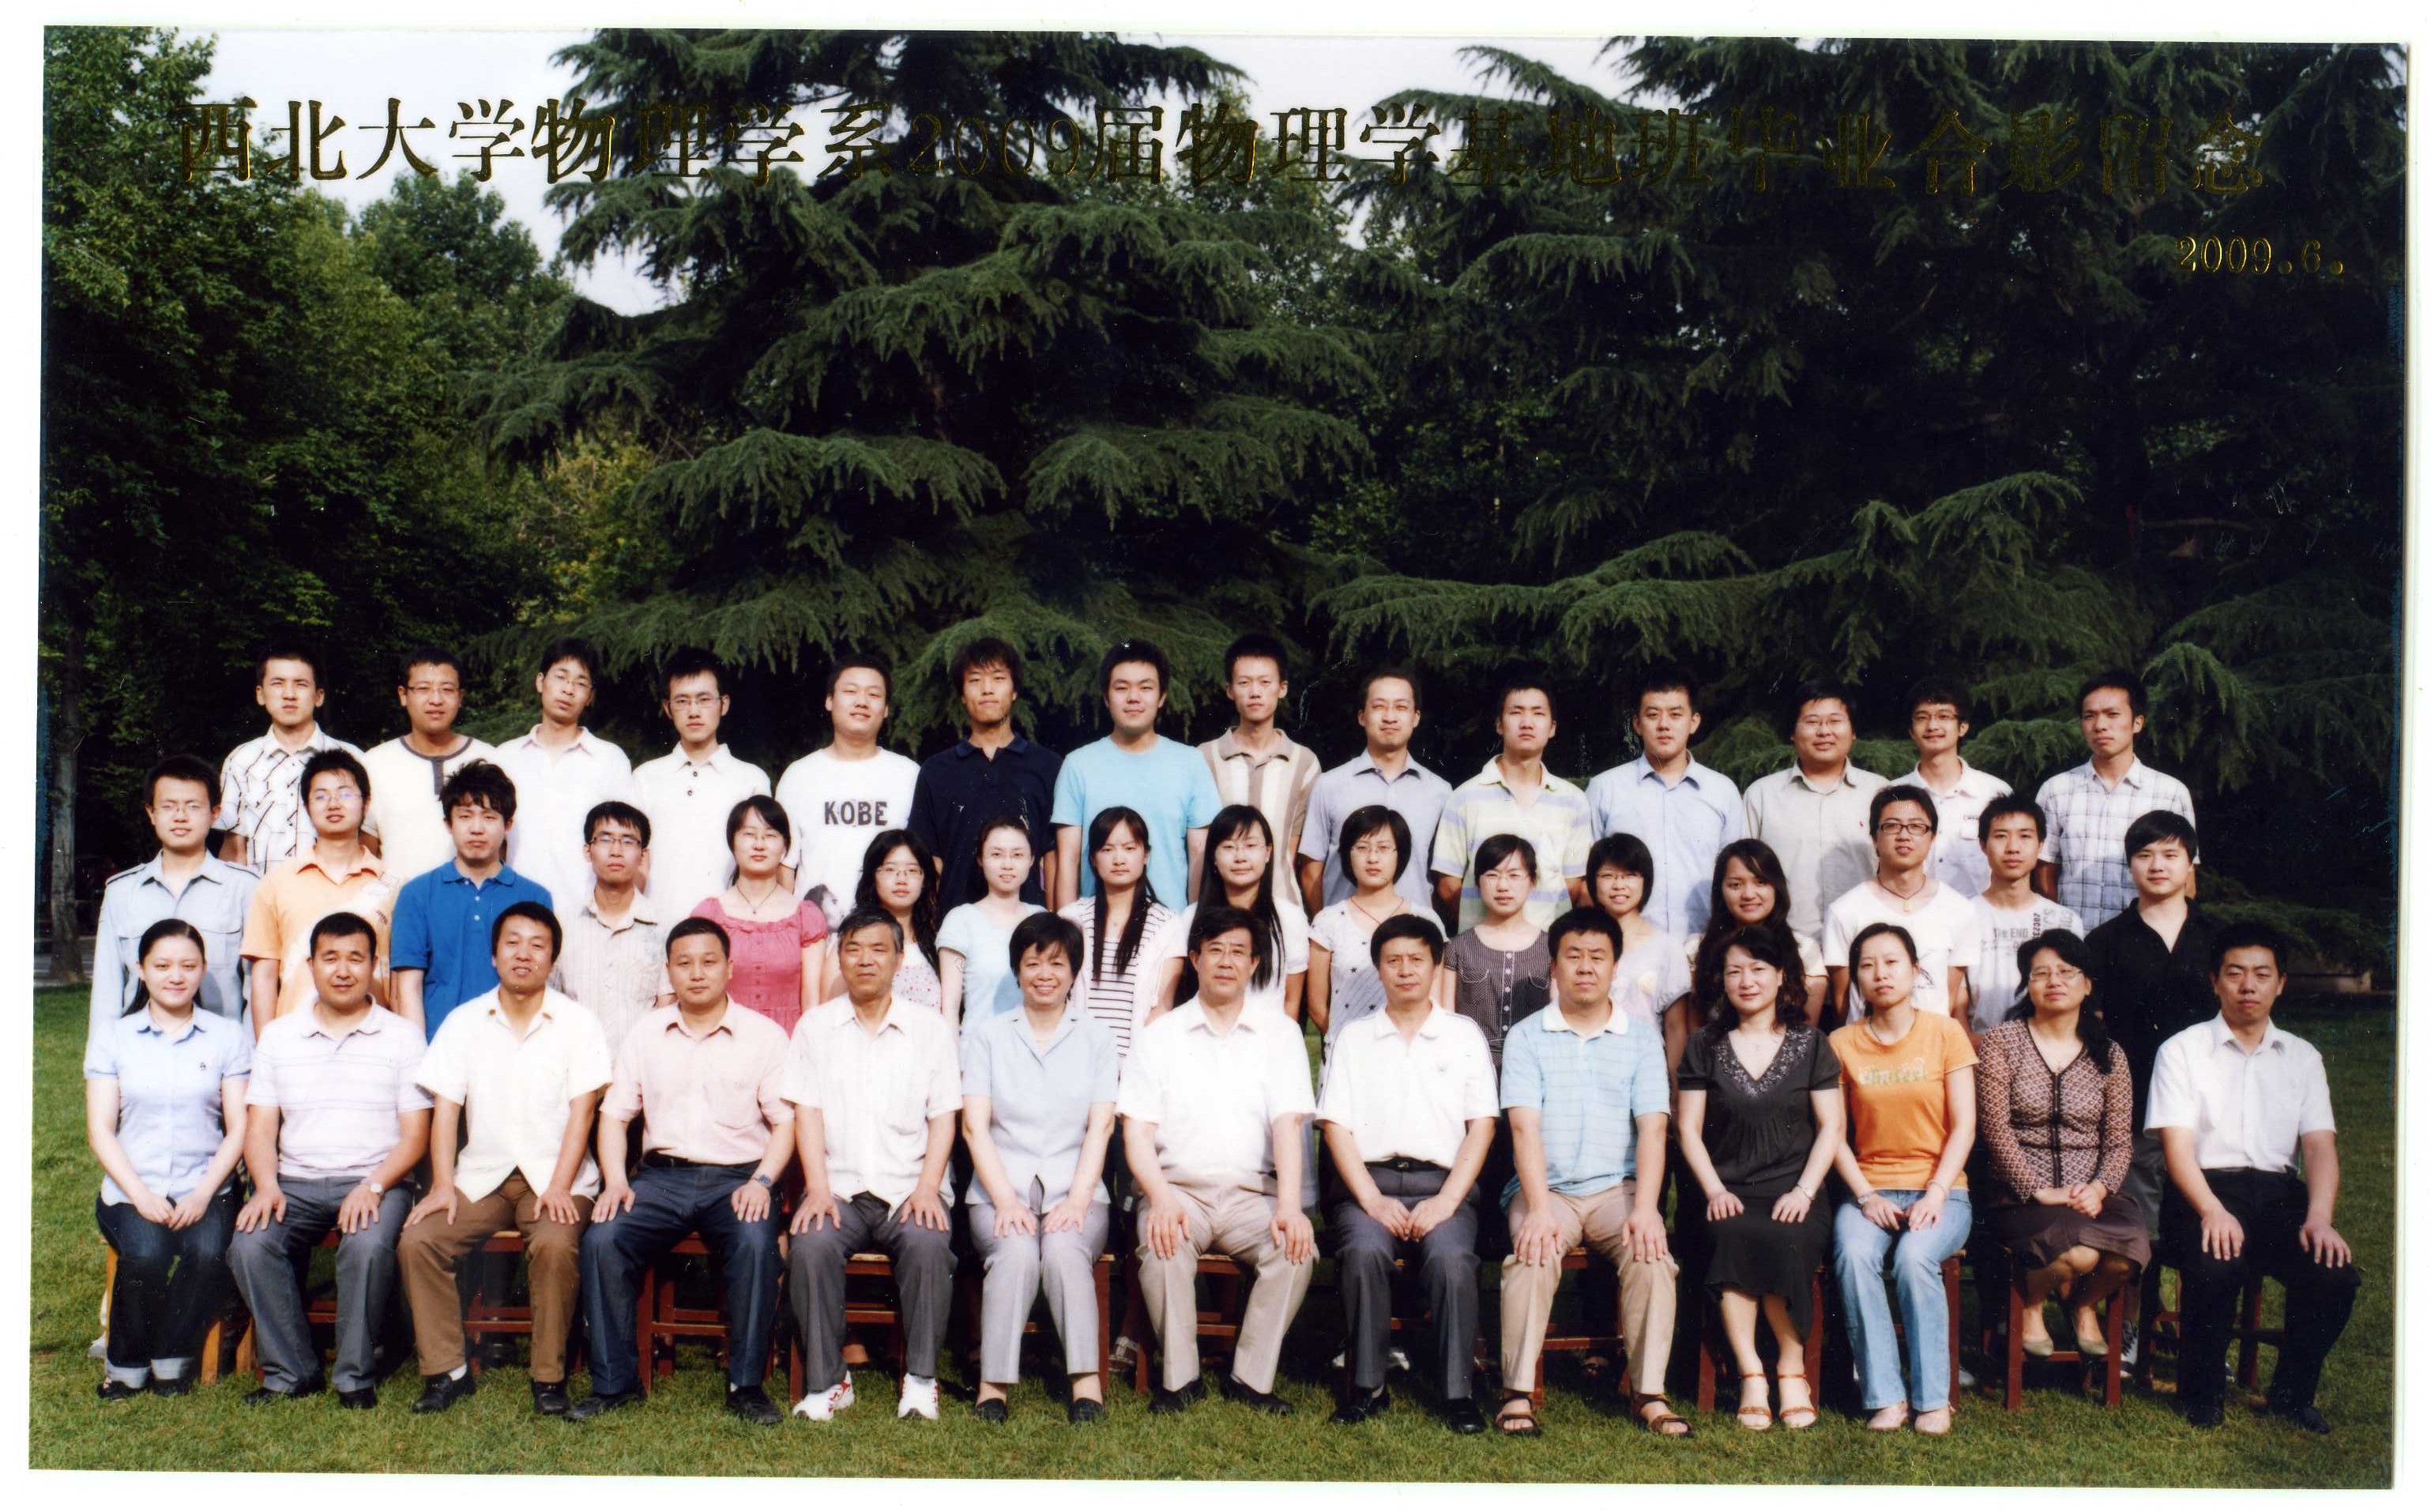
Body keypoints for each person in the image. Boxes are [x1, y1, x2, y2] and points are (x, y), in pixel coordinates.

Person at [570, 916, 793, 1426]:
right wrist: (616, 1180)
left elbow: (786, 1122)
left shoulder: (763, 1036)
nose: (696, 973)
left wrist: (762, 1182)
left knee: (754, 1243)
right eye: (684, 963)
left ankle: (746, 1385)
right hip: (660, 1180)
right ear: (668, 970)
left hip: (737, 1180)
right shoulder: (646, 1033)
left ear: (730, 968)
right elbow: (615, 1115)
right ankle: (615, 1384)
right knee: (603, 1239)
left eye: (709, 962)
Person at [397, 902, 612, 1416]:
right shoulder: (464, 1022)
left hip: (557, 1178)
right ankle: (448, 1372)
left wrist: (559, 1186)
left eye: (537, 945)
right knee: (420, 1240)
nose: (524, 954)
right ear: (494, 955)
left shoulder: (578, 1023)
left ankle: (548, 1379)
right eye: (512, 943)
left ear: (552, 959)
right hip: (483, 1176)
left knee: (555, 1243)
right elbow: (446, 1110)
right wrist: (443, 1184)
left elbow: (583, 1113)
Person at [2147, 923, 2358, 1433]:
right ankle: (2202, 1395)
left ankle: (2291, 1396)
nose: (2248, 986)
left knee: (2333, 1275)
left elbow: (2319, 1147)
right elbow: (2177, 1149)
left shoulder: (2303, 1057)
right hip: (2202, 1190)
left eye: (2262, 975)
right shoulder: (2181, 1050)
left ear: (2280, 983)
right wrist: (2212, 1210)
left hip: (2280, 1198)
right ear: (2214, 981)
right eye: (2235, 973)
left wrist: (2320, 1218)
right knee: (2216, 1263)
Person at [1493, 908, 1687, 1440]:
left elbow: (1653, 1129)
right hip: (1547, 1190)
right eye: (1573, 956)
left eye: (1597, 957)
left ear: (1614, 967)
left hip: (1616, 1190)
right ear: (1553, 967)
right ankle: (1516, 1393)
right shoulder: (1527, 1036)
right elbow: (1523, 1128)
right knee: (1532, 1251)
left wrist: (1646, 1209)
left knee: (1652, 1256)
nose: (1585, 967)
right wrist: (1537, 1209)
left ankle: (1648, 1393)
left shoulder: (1640, 1038)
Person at [1120, 906, 1319, 1415]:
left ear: (1255, 964)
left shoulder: (1280, 1034)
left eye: (1238, 952)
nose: (1226, 962)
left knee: (1296, 1250)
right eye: (1215, 951)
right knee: (1162, 1244)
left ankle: (1250, 1378)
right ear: (1195, 959)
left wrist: (1290, 1207)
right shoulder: (1159, 1036)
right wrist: (1160, 1198)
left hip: (1253, 1195)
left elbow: (1288, 1126)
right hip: (1179, 1191)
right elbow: (1136, 1133)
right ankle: (1180, 1379)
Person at [228, 912, 432, 1407]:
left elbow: (415, 1137)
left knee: (366, 1245)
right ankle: (291, 1372)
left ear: (374, 966)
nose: (343, 971)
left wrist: (374, 1186)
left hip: (375, 1179)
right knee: (250, 1245)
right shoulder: (279, 1036)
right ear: (311, 966)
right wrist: (266, 1185)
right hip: (294, 1182)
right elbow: (261, 1127)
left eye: (355, 959)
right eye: (331, 958)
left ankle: (354, 1376)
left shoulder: (402, 1036)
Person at [1316, 914, 1496, 1433]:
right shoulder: (1354, 1037)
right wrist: (1371, 1200)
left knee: (1451, 1260)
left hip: (1443, 1186)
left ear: (1436, 965)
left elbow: (1482, 1126)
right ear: (1378, 968)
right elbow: (1336, 1127)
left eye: (1416, 959)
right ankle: (1366, 1386)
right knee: (1363, 1252)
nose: (1405, 970)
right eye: (1392, 960)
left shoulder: (1462, 1035)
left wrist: (1446, 1202)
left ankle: (1457, 1391)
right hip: (1368, 1186)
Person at [785, 909, 965, 1423]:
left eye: (878, 949)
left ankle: (921, 1380)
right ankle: (828, 1381)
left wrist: (928, 1188)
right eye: (854, 949)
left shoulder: (929, 1030)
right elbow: (806, 1113)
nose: (865, 960)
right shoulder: (816, 1027)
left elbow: (943, 1117)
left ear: (900, 960)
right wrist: (817, 1188)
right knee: (811, 1244)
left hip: (908, 1186)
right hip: (839, 1188)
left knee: (928, 1243)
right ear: (839, 958)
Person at [1673, 923, 1842, 1432]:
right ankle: (1751, 1374)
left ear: (1782, 975)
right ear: (1720, 980)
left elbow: (1832, 1127)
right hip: (1727, 1189)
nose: (1746, 981)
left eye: (1758, 969)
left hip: (1795, 1187)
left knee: (1786, 1236)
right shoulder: (1704, 1044)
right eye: (1734, 972)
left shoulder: (1812, 1044)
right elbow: (1688, 1128)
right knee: (1731, 1233)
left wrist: (1804, 1191)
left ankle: (1790, 1370)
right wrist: (1714, 1189)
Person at [958, 912, 1120, 1424]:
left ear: (1073, 972)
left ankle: (1085, 1384)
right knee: (1016, 1252)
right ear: (1017, 970)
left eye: (1056, 963)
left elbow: (1101, 1127)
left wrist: (1078, 1200)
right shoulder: (987, 1035)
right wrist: (1005, 1200)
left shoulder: (1097, 1038)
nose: (1044, 974)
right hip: (999, 1185)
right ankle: (993, 1387)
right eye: (1032, 963)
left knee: (1067, 1249)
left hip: (1076, 1184)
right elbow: (974, 1127)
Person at [84, 920, 252, 1400]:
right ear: (141, 970)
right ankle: (125, 1367)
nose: (175, 976)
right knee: (147, 1252)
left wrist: (202, 1195)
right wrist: (141, 1196)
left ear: (202, 970)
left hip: (207, 1187)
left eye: (187, 965)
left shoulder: (226, 1036)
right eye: (162, 965)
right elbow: (100, 1130)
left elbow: (238, 1128)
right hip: (132, 1189)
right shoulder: (114, 1037)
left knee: (208, 1253)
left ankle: (171, 1357)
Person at [1827, 921, 1978, 1435]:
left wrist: (1936, 1192)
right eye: (1867, 965)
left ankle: (1932, 1399)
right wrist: (1864, 1195)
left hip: (1942, 1189)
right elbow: (1834, 1134)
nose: (1880, 974)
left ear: (1915, 970)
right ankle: (1886, 1397)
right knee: (1854, 1256)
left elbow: (1964, 1125)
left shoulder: (1945, 1032)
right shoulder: (1841, 1042)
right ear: (1856, 978)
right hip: (1869, 1189)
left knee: (1915, 1259)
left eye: (1891, 962)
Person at [1974, 930, 2146, 1360]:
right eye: (2041, 973)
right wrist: (2038, 1189)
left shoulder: (2110, 1054)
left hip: (2092, 1194)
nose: (2054, 981)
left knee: (2127, 1256)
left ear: (2087, 985)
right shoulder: (2002, 1042)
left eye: (2066, 972)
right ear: (2027, 985)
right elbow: (1996, 1130)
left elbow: (2119, 1141)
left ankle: (2082, 1305)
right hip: (2019, 1195)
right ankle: (2031, 1304)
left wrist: (2099, 1188)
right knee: (2080, 1255)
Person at [2082, 810, 2218, 1288]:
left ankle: (2193, 1326)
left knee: (2202, 1229)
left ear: (2189, 862)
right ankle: (2132, 1318)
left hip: (2208, 1107)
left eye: (2170, 854)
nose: (2157, 865)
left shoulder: (2218, 938)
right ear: (2130, 865)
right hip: (2134, 1105)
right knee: (2138, 1228)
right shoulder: (2104, 941)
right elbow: (2093, 1029)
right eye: (2144, 855)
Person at [90, 756, 258, 1046]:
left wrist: (248, 1061)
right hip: (139, 1054)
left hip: (221, 1054)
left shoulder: (245, 888)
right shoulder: (122, 891)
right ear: (151, 813)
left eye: (193, 806)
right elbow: (107, 991)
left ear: (214, 813)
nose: (180, 816)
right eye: (168, 806)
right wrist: (101, 1062)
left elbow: (257, 988)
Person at [1052, 638, 1221, 909]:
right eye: (1122, 688)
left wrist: (1194, 923)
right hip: (1095, 925)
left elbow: (1199, 854)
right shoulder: (1077, 765)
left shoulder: (1191, 763)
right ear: (1106, 697)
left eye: (1146, 687)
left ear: (1161, 696)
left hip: (1171, 924)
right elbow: (1068, 859)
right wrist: (1067, 927)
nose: (1133, 697)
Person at [389, 760, 554, 1038]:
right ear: (448, 823)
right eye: (465, 816)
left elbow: (539, 985)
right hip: (439, 1049)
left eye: (489, 817)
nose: (477, 828)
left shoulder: (535, 897)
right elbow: (408, 989)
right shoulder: (417, 894)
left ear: (508, 824)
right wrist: (419, 1056)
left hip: (514, 1047)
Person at [240, 748, 395, 1032]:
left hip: (373, 1038)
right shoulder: (277, 883)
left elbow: (399, 978)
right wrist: (267, 1047)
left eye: (345, 794)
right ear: (307, 806)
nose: (333, 804)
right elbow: (264, 976)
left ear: (366, 803)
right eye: (321, 796)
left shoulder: (393, 885)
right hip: (297, 1041)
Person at [1584, 664, 1744, 938]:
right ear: (1637, 724)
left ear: (1694, 722)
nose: (1664, 725)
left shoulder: (1722, 791)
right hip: (1627, 947)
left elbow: (1738, 875)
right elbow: (1588, 881)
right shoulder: (1605, 788)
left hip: (1705, 944)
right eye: (1653, 715)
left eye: (1675, 714)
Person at [2033, 670, 2198, 930]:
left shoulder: (2170, 793)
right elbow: (2045, 873)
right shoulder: (2056, 790)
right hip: (2074, 939)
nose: (2100, 725)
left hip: (2143, 940)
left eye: (2112, 714)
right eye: (2089, 716)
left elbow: (2186, 879)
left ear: (2137, 723)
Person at [1429, 671, 1591, 932]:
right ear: (1499, 724)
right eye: (1516, 712)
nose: (1527, 723)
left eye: (1538, 713)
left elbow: (1573, 884)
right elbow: (1448, 886)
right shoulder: (1464, 797)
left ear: (1552, 727)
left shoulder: (1573, 801)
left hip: (1547, 946)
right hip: (1481, 949)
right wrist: (1492, 929)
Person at [909, 637, 1063, 912]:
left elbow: (1052, 856)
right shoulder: (936, 771)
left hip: (1029, 926)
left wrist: (1053, 924)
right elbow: (929, 860)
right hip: (955, 924)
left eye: (998, 678)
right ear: (962, 695)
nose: (987, 689)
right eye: (975, 680)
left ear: (1014, 691)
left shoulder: (1047, 766)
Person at [1741, 680, 1888, 965]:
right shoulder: (1761, 796)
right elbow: (1742, 874)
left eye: (1835, 721)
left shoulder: (1879, 792)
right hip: (1783, 950)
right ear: (1792, 733)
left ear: (1853, 731)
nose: (1824, 731)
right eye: (1812, 722)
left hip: (1865, 949)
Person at [776, 652, 921, 925]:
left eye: (873, 694)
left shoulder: (909, 775)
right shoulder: (799, 776)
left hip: (890, 932)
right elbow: (784, 866)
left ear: (886, 708)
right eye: (850, 691)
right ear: (830, 700)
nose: (861, 702)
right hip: (816, 935)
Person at [1296, 665, 1451, 920]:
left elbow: (1445, 878)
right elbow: (1311, 870)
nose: (1390, 717)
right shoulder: (1329, 785)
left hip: (1413, 936)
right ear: (1362, 716)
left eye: (1401, 707)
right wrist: (1326, 930)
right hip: (1345, 936)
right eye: (1379, 706)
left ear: (1415, 717)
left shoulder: (1439, 792)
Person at [630, 648, 773, 917]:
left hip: (729, 927)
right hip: (656, 925)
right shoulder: (645, 778)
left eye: (704, 699)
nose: (693, 711)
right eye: (682, 701)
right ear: (667, 708)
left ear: (724, 704)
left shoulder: (751, 780)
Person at [1822, 786, 1980, 1024]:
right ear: (1874, 838)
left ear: (1932, 838)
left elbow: (1948, 997)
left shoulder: (1959, 910)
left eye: (1916, 827)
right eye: (1892, 826)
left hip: (1932, 1041)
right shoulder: (1844, 911)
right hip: (1866, 1041)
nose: (1904, 836)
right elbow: (1843, 1002)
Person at [495, 637, 634, 907]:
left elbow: (627, 843)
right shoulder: (506, 757)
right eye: (561, 677)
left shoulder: (610, 760)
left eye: (580, 683)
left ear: (590, 696)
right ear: (540, 682)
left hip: (588, 913)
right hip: (515, 913)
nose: (568, 689)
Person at [1199, 633, 1323, 909]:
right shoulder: (1204, 758)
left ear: (1282, 688)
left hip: (1282, 908)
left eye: (1265, 682)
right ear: (1230, 690)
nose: (1255, 692)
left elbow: (1294, 852)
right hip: (1218, 910)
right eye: (1244, 683)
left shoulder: (1304, 763)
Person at [216, 643, 364, 872]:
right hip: (261, 892)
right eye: (278, 683)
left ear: (319, 696)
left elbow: (366, 839)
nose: (289, 695)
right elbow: (234, 849)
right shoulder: (240, 761)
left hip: (333, 892)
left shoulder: (352, 759)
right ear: (260, 694)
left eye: (301, 684)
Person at [1681, 840, 1828, 1066]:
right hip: (1712, 1072)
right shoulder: (1695, 950)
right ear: (1721, 890)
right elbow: (1694, 1032)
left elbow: (1806, 1037)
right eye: (1736, 885)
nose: (1749, 894)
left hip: (1786, 1073)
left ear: (1776, 887)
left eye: (1761, 882)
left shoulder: (1805, 952)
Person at [689, 795, 828, 1034]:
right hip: (723, 1040)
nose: (759, 845)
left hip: (787, 1043)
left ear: (785, 847)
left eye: (770, 835)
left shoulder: (806, 917)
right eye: (749, 834)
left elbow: (812, 1001)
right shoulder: (709, 915)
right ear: (732, 842)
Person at [360, 647, 499, 886]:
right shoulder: (375, 763)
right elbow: (365, 851)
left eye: (447, 689)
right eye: (423, 689)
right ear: (403, 695)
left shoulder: (489, 758)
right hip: (397, 902)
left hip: (476, 900)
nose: (436, 700)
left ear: (460, 697)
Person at [1059, 807, 1185, 1060]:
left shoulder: (1168, 925)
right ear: (1093, 859)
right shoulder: (1072, 919)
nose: (1119, 859)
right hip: (1077, 1062)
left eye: (1129, 848)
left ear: (1145, 855)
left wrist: (1134, 1069)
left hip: (1137, 1066)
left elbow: (1163, 1006)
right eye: (1107, 850)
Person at [548, 801, 675, 1047]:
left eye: (628, 841)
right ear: (588, 851)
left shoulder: (665, 927)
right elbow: (551, 1001)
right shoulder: (563, 925)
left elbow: (666, 1010)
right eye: (605, 839)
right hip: (575, 1063)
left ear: (642, 855)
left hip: (640, 1065)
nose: (616, 851)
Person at [1169, 805, 1308, 1021]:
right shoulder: (1190, 919)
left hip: (1268, 1036)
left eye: (1250, 845)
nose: (1240, 857)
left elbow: (1292, 1000)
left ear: (1268, 852)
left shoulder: (1290, 918)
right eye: (1229, 847)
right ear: (1213, 856)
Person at [1969, 797, 2083, 1037]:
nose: (2013, 848)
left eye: (2025, 836)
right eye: (2001, 836)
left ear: (2040, 844)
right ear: (1982, 845)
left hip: (2047, 1048)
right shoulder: (1963, 916)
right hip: (1978, 1046)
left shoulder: (2065, 921)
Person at [1308, 807, 1419, 1047]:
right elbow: (1316, 1005)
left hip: (1408, 1053)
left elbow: (1436, 1001)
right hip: (1346, 1053)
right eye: (1362, 848)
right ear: (1347, 854)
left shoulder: (1423, 920)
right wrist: (1347, 1045)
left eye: (1383, 848)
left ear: (1400, 853)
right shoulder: (1328, 922)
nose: (1372, 858)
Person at [1439, 835, 1551, 1069]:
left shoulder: (1551, 948)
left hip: (1534, 1067)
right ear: (1478, 882)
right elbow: (1446, 1021)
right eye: (1492, 875)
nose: (1502, 886)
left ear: (1532, 881)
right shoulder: (1457, 948)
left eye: (1514, 875)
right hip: (1472, 1067)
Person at [1895, 677, 2010, 900]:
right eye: (1922, 718)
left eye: (1944, 716)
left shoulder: (1994, 793)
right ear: (1911, 730)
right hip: (1910, 915)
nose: (1932, 726)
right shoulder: (1894, 795)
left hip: (1979, 916)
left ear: (1963, 727)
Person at [937, 816, 1045, 1025]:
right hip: (977, 1044)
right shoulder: (961, 920)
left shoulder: (1041, 917)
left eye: (1017, 855)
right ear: (980, 859)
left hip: (1033, 1044)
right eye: (996, 854)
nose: (1007, 865)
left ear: (1032, 860)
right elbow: (950, 1007)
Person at [820, 829, 943, 1010]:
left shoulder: (938, 943)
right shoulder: (851, 941)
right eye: (890, 869)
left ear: (924, 879)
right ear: (873, 876)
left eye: (912, 870)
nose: (902, 879)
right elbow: (830, 1011)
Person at [1587, 833, 1692, 1026]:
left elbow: (1676, 1027)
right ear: (1593, 881)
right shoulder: (1581, 943)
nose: (1619, 885)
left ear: (1646, 881)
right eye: (1608, 876)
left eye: (1630, 876)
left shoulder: (1667, 947)